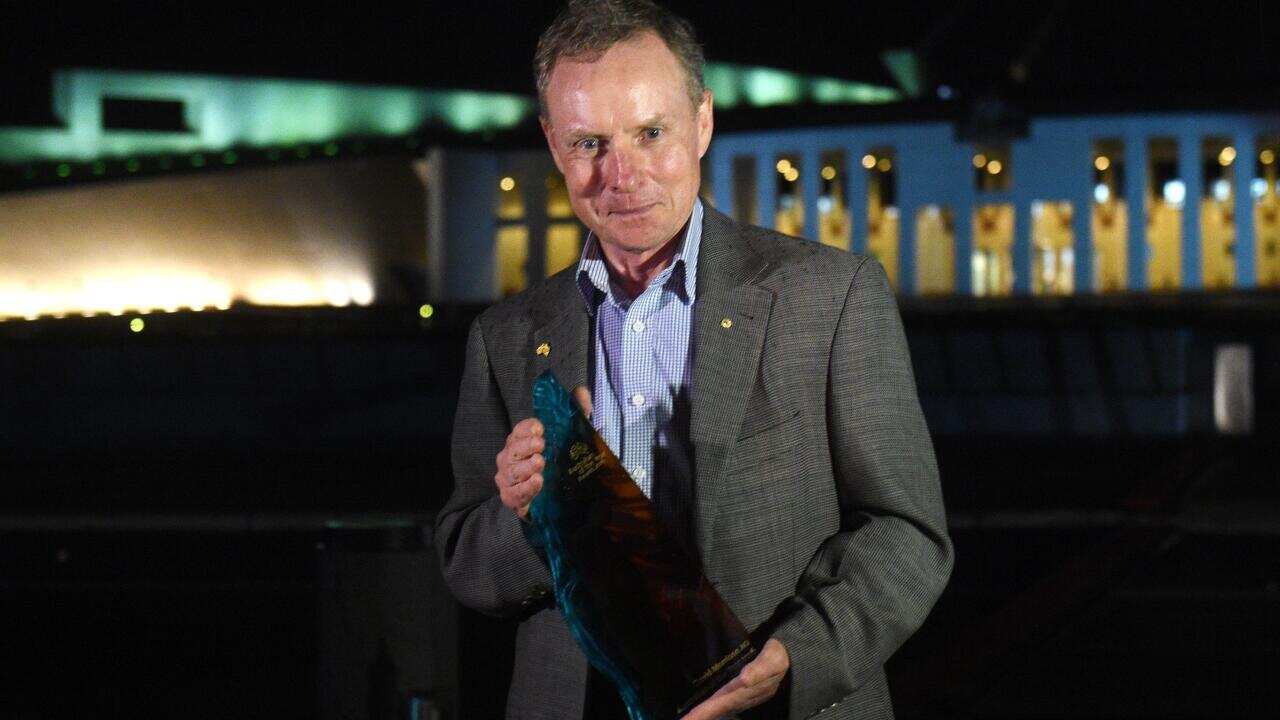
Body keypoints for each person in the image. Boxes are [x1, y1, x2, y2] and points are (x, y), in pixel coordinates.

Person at [435, 1, 953, 718]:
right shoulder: (507, 336)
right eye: (589, 144)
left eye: (651, 133)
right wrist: (523, 515)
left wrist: (790, 660)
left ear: (703, 121)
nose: (622, 174)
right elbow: (468, 566)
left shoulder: (828, 297)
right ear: (554, 146)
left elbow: (909, 533)